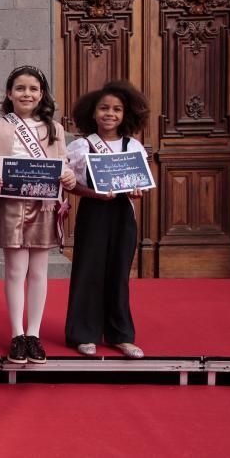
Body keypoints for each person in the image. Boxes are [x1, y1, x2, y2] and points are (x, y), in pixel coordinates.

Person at [0, 65, 77, 364]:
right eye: (20, 88)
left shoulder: (55, 128)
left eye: (33, 88)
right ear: (9, 93)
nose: (27, 93)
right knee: (14, 270)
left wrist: (69, 178)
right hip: (10, 204)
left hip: (43, 204)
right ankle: (17, 334)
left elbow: (64, 164)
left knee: (38, 271)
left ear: (42, 93)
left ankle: (33, 334)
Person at [65, 80, 150, 359]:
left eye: (116, 109)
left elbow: (141, 183)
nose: (109, 114)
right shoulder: (82, 145)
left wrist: (137, 192)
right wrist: (93, 193)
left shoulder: (133, 145)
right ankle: (84, 334)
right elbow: (70, 185)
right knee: (88, 271)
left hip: (123, 213)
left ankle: (121, 335)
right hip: (94, 210)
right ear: (93, 112)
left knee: (118, 273)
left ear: (126, 114)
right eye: (104, 108)